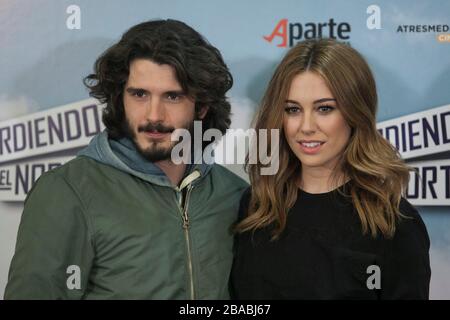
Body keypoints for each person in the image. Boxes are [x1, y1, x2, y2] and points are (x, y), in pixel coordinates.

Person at [5, 19, 248, 299]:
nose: (154, 115)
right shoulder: (66, 191)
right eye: (140, 94)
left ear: (202, 107)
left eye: (172, 96)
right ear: (120, 99)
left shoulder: (234, 195)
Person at [230, 38, 431, 299]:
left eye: (324, 108)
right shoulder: (257, 206)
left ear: (355, 112)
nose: (306, 126)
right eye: (292, 109)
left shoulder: (394, 223)